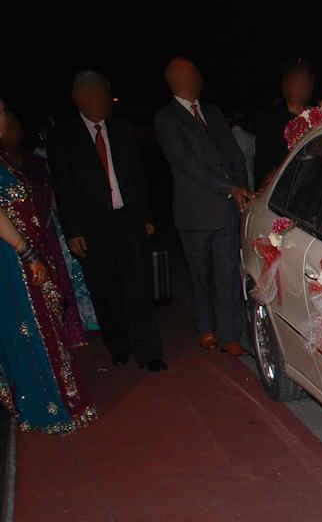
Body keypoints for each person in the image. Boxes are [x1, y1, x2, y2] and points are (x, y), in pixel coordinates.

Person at [50, 72, 166, 371]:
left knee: (138, 287)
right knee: (105, 290)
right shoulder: (64, 137)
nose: (103, 101)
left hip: (128, 219)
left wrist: (147, 216)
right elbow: (63, 188)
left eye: (105, 94)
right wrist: (73, 231)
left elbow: (140, 176)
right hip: (92, 226)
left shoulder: (122, 129)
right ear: (80, 99)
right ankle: (118, 344)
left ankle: (149, 352)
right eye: (96, 95)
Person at [0, 98, 97, 433]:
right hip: (12, 261)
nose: (6, 119)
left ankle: (47, 403)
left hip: (21, 255)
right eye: (0, 113)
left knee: (40, 326)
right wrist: (26, 253)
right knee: (30, 329)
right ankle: (47, 409)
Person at [154, 57, 251, 355]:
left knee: (228, 273)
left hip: (227, 210)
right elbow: (186, 165)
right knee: (201, 275)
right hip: (194, 213)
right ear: (176, 80)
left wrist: (242, 187)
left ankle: (230, 334)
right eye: (192, 74)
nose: (198, 78)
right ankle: (206, 328)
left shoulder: (212, 112)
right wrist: (229, 188)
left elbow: (234, 154)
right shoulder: (166, 119)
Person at [2, 111, 87, 349]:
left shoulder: (33, 161)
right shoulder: (4, 167)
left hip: (43, 232)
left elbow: (51, 194)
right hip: (14, 245)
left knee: (56, 289)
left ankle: (65, 337)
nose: (10, 130)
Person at [254, 58, 315, 186]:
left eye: (306, 80)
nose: (302, 85)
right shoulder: (271, 122)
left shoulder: (317, 114)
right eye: (297, 80)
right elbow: (266, 172)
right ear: (285, 84)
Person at [230, 111, 256, 189]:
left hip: (233, 179)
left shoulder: (227, 138)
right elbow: (253, 155)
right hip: (249, 176)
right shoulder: (251, 138)